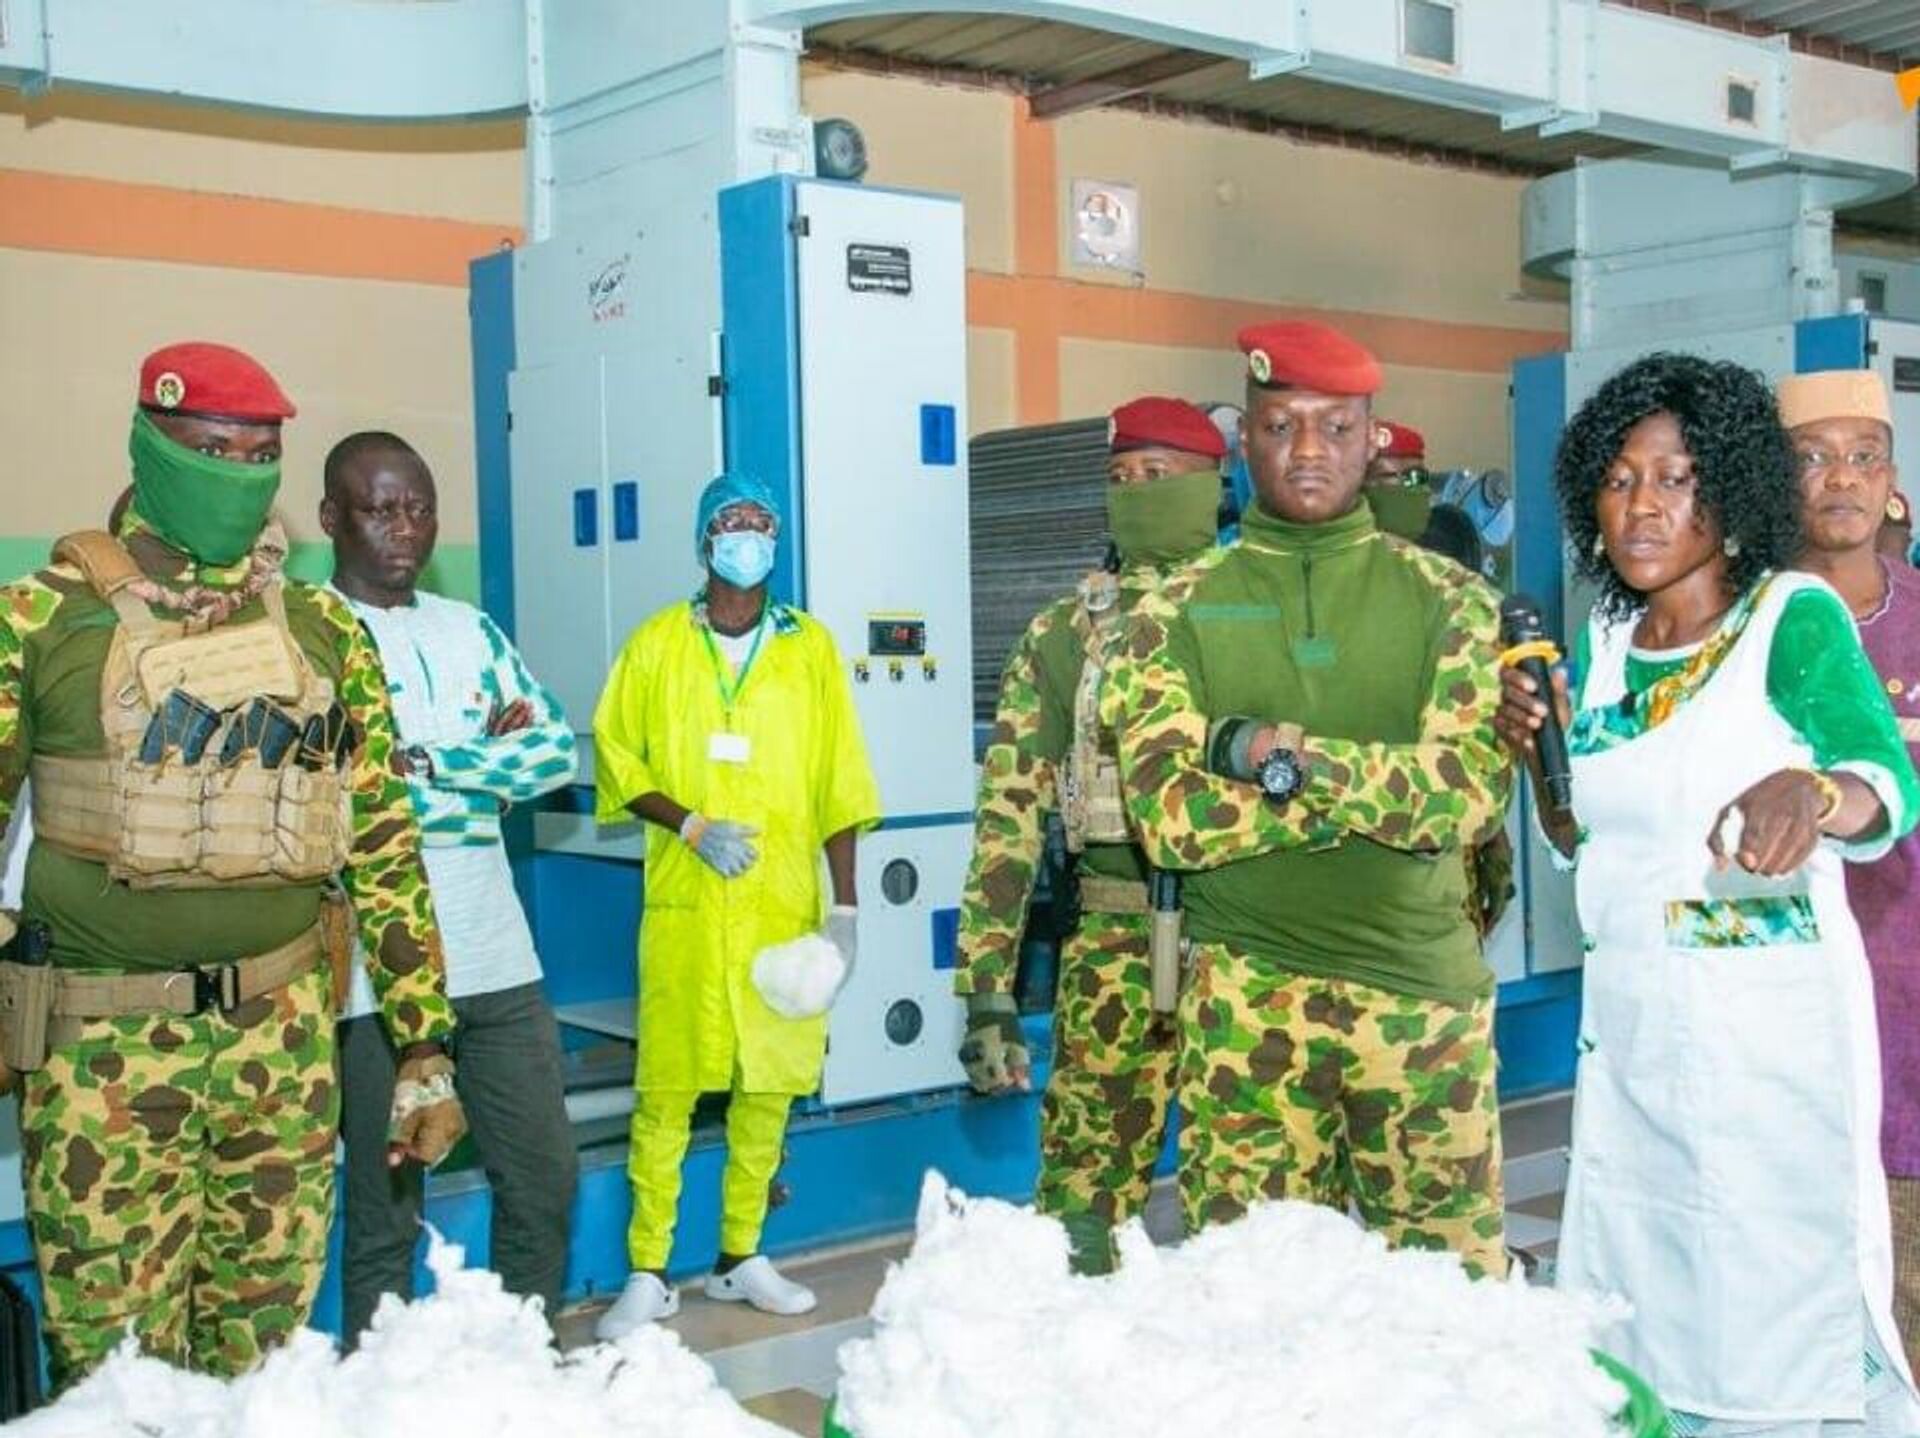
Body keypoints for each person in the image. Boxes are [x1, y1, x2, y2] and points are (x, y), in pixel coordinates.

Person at [0, 343, 464, 1385]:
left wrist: (424, 1044)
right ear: (149, 446)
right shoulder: (39, 617)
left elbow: (382, 841)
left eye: (261, 457)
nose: (239, 476)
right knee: (118, 1373)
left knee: (268, 1364)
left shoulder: (324, 627)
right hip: (101, 1052)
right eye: (212, 450)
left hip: (282, 1044)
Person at [1497, 352, 1920, 1434]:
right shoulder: (1602, 645)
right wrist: (1539, 764)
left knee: (1764, 1319)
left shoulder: (1791, 617)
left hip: (1767, 1060)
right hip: (1632, 1048)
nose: (1642, 506)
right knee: (1640, 1307)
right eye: (1620, 480)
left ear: (1729, 492)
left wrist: (1815, 792)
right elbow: (1584, 839)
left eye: (1676, 480)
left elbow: (1887, 783)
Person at [1101, 321, 1512, 1275]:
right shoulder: (1171, 609)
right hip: (1248, 1002)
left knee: (1453, 1308)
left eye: (1336, 426)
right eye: (1282, 426)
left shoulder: (1451, 602)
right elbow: (1170, 821)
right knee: (1256, 1305)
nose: (1309, 450)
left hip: (1421, 1004)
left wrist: (1270, 755)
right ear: (1245, 443)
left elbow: (1461, 800)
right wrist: (1377, 792)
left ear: (1372, 440)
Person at [591, 473, 878, 1334]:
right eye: (731, 521)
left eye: (761, 523)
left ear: (776, 542)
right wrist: (688, 825)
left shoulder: (809, 649)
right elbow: (617, 756)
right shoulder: (656, 646)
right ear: (704, 539)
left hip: (781, 907)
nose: (747, 535)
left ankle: (739, 1257)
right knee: (666, 1089)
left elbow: (840, 780)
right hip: (687, 907)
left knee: (769, 1088)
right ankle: (648, 1270)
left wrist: (846, 912)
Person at [955, 396, 1226, 1274]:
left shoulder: (1259, 612)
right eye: (1120, 477)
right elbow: (1008, 816)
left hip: (1250, 941)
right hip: (1111, 940)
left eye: (1157, 475)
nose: (1135, 492)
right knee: (1081, 1208)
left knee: (1257, 1215)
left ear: (1211, 486)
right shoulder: (1064, 635)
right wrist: (988, 989)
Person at [321, 431, 579, 1346]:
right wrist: (484, 763)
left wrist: (429, 760)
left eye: (421, 509)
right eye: (380, 509)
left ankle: (520, 1360)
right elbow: (347, 793)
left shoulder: (469, 630)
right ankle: (377, 1386)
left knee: (544, 1180)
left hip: (498, 960)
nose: (405, 528)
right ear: (331, 518)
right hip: (374, 979)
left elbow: (553, 753)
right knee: (387, 1207)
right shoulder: (312, 635)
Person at [1782, 369, 1920, 1387]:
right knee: (1805, 1302)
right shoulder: (1743, 627)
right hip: (1795, 1007)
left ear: (1892, 479)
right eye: (1815, 458)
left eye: (1863, 456)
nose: (1842, 478)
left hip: (1913, 1006)